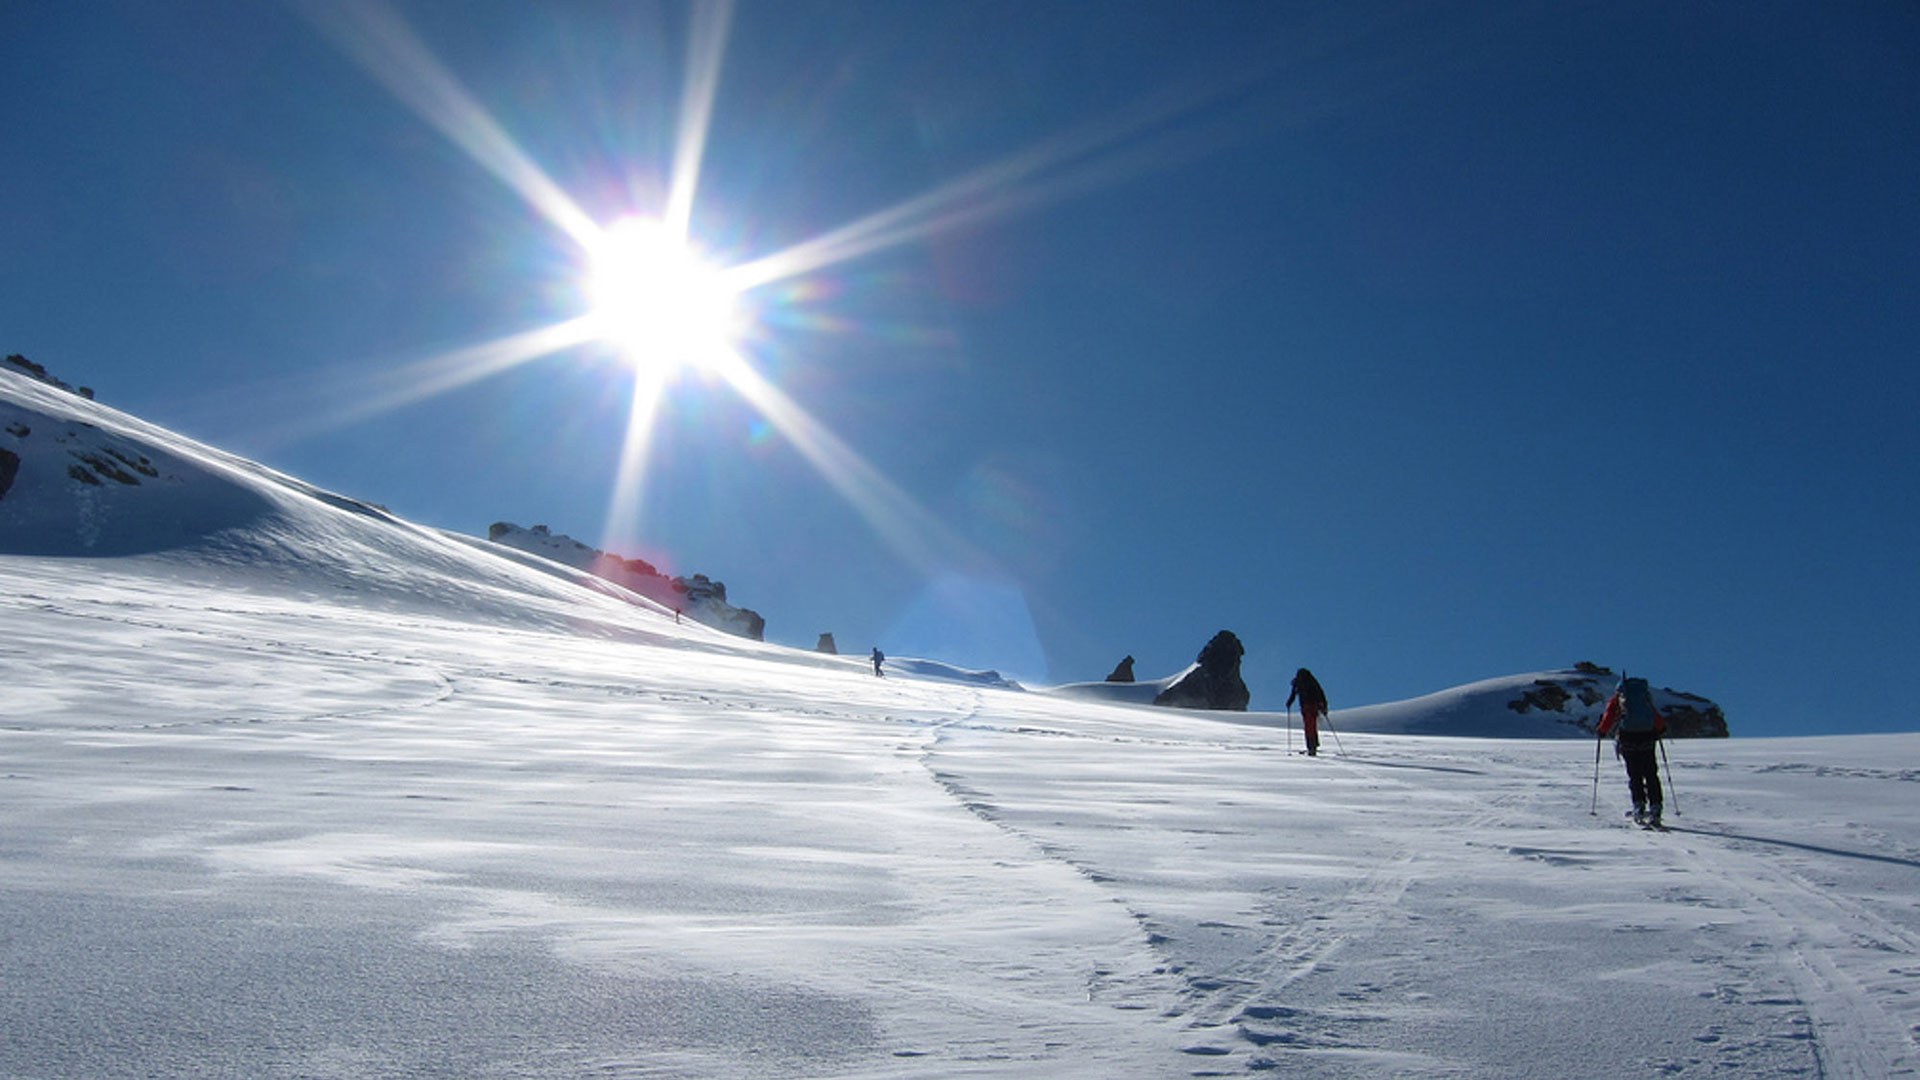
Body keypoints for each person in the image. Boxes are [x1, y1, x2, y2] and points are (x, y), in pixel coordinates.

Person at [1596, 674, 1666, 825]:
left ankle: (1639, 805)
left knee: (1634, 774)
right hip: (1647, 737)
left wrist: (1602, 731)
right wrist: (1660, 729)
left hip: (1628, 738)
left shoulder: (1619, 698)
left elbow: (1609, 716)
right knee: (1651, 773)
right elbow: (1655, 715)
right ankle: (1656, 806)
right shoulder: (1644, 697)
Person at [1286, 668, 1328, 756]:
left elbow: (1293, 694)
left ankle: (1311, 747)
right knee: (1312, 726)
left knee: (1308, 727)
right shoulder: (1311, 681)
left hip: (1306, 707)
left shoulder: (1298, 682)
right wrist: (1323, 706)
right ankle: (1313, 746)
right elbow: (1320, 693)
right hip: (1313, 706)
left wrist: (1289, 702)